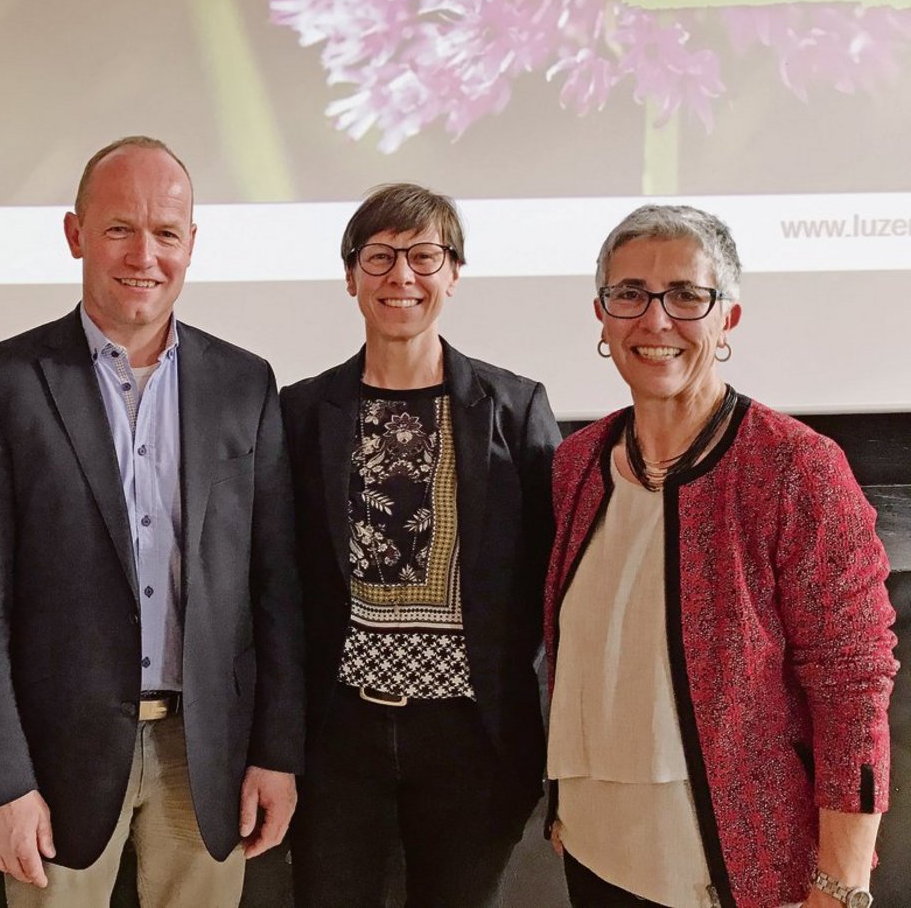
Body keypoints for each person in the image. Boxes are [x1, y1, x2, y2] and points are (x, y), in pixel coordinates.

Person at [0, 135, 305, 908]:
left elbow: (275, 591)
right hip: (51, 765)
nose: (145, 254)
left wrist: (277, 753)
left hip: (202, 756)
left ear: (192, 245)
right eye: (119, 228)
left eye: (167, 233)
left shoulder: (246, 384)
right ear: (76, 234)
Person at [545, 205, 898, 908]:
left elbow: (853, 684)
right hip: (593, 843)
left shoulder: (796, 469)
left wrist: (843, 882)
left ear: (726, 318)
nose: (656, 320)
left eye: (686, 296)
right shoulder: (578, 464)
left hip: (741, 867)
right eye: (629, 295)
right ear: (602, 316)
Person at [280, 183, 560, 907]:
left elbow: (551, 572)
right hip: (337, 735)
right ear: (350, 277)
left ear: (454, 273)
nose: (401, 276)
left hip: (473, 735)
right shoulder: (302, 411)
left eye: (424, 256)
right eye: (379, 258)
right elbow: (276, 584)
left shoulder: (514, 407)